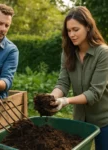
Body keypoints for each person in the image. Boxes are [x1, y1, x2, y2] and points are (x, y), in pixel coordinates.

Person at [47, 6, 108, 150]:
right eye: (69, 31)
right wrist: (51, 98)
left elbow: (94, 93)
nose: (72, 34)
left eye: (76, 29)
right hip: (80, 121)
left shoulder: (103, 53)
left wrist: (66, 101)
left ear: (88, 27)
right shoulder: (68, 53)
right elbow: (63, 82)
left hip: (104, 122)